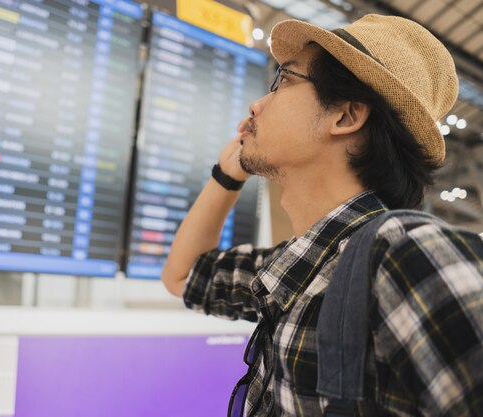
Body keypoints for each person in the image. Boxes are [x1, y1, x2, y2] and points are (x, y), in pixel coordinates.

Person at [161, 13, 483, 417]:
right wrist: (227, 175)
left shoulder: (404, 251)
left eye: (285, 80)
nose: (257, 104)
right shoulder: (298, 268)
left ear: (345, 116)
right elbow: (184, 276)